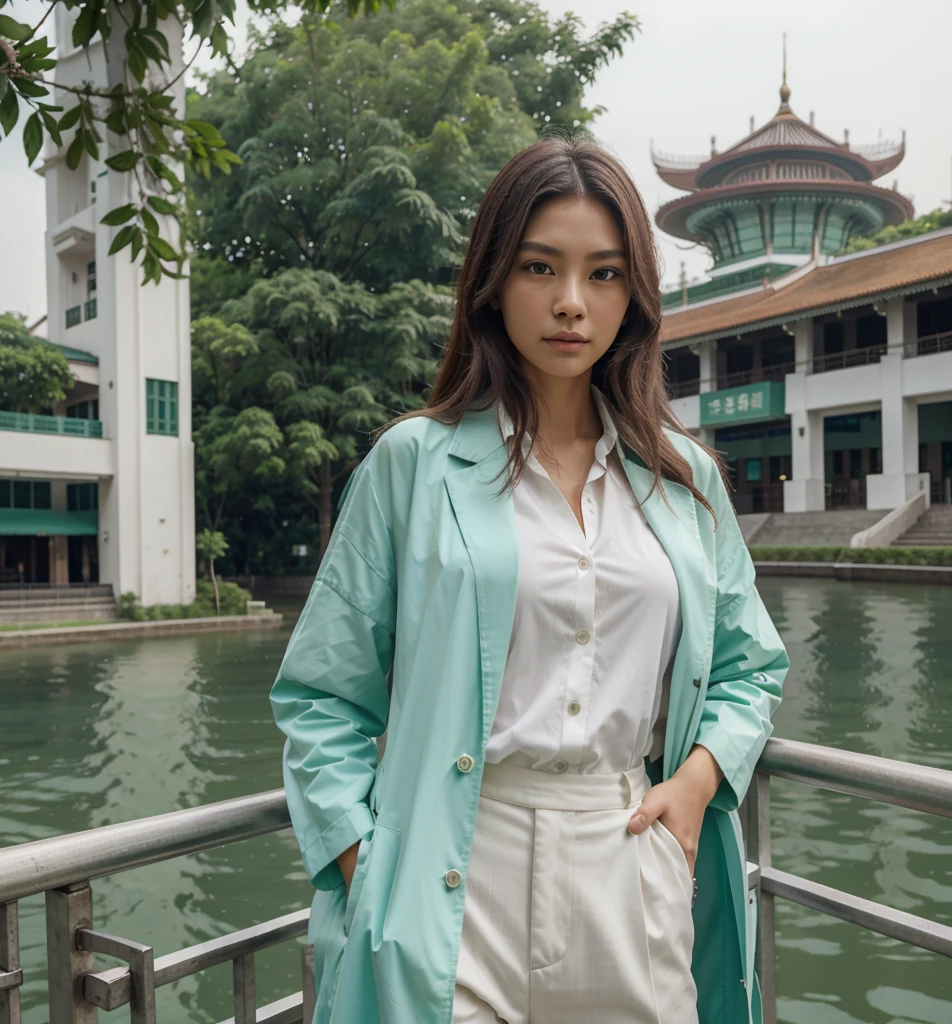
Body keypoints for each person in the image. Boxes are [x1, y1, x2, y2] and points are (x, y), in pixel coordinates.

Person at [270, 133, 789, 1024]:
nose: (571, 304)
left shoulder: (684, 480)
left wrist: (697, 784)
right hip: (454, 872)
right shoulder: (413, 466)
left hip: (630, 853)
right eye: (540, 267)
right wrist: (365, 863)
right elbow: (323, 694)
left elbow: (752, 667)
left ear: (636, 296)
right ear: (492, 282)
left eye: (605, 274)